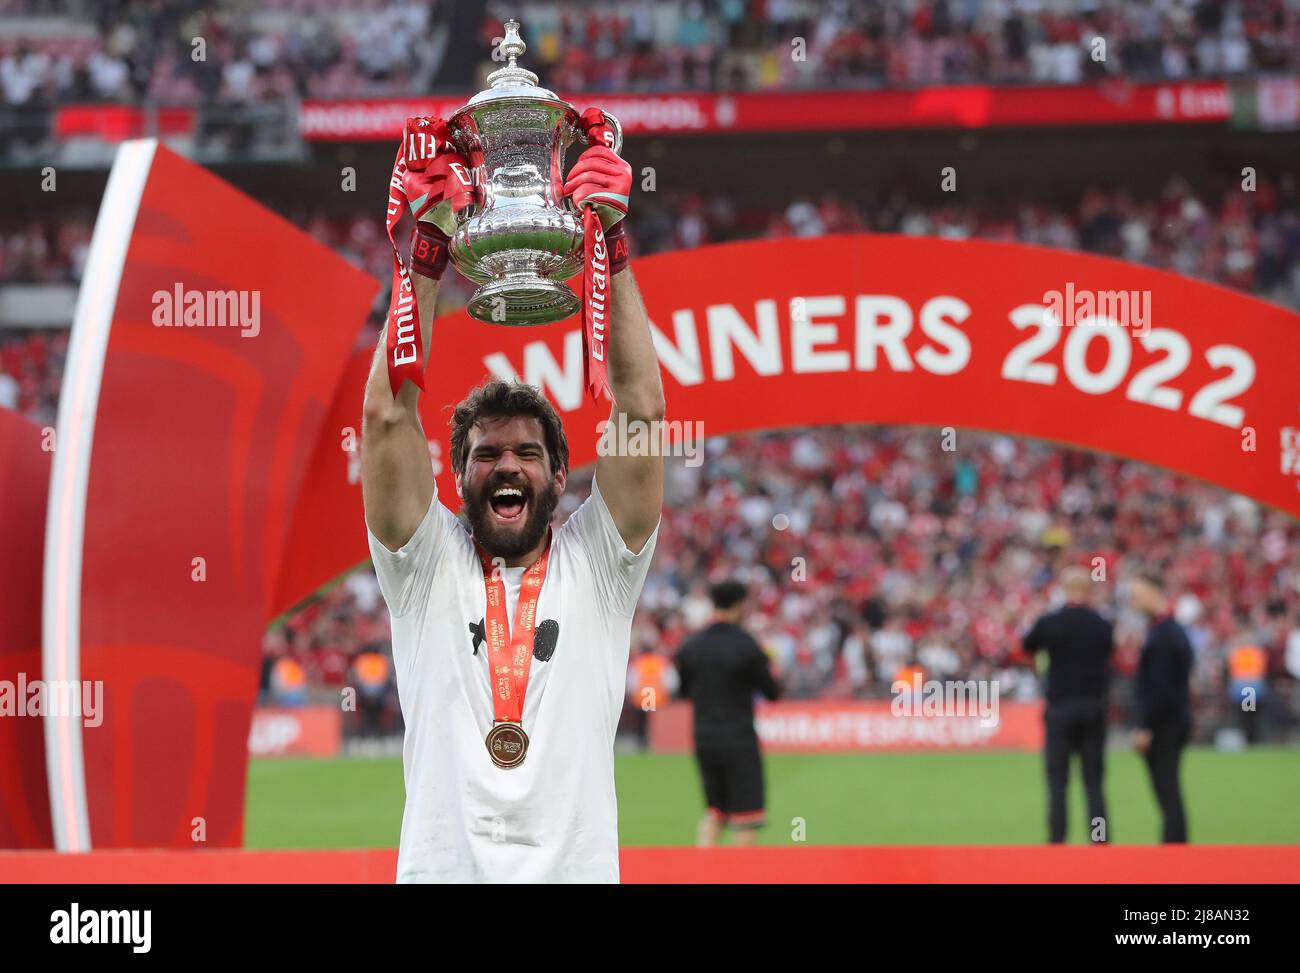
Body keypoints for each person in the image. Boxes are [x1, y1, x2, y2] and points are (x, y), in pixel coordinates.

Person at [361, 112, 664, 882]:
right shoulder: (420, 563)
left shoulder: (602, 563)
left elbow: (639, 410)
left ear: (562, 478)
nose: (508, 467)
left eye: (528, 453)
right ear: (458, 475)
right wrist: (428, 242)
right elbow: (387, 415)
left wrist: (610, 242)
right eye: (486, 453)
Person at [674, 580, 780, 846]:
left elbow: (684, 692)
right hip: (739, 739)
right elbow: (772, 692)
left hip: (704, 738)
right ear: (740, 605)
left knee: (715, 812)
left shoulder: (691, 646)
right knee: (746, 816)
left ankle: (700, 874)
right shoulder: (747, 645)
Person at [1022, 565, 1114, 843]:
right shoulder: (1102, 625)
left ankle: (1058, 842)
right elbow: (1109, 653)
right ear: (1089, 591)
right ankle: (1099, 839)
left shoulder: (1050, 622)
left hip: (1060, 708)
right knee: (1094, 783)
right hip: (1093, 708)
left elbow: (1027, 645)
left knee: (1057, 782)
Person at [1129, 571, 1194, 843]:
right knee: (1168, 792)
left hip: (1165, 724)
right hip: (1172, 719)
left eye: (1137, 594)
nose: (1132, 600)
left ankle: (1174, 854)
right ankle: (1174, 850)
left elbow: (1160, 688)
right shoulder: (1168, 630)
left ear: (1154, 593)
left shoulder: (1164, 634)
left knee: (1167, 791)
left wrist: (1146, 727)